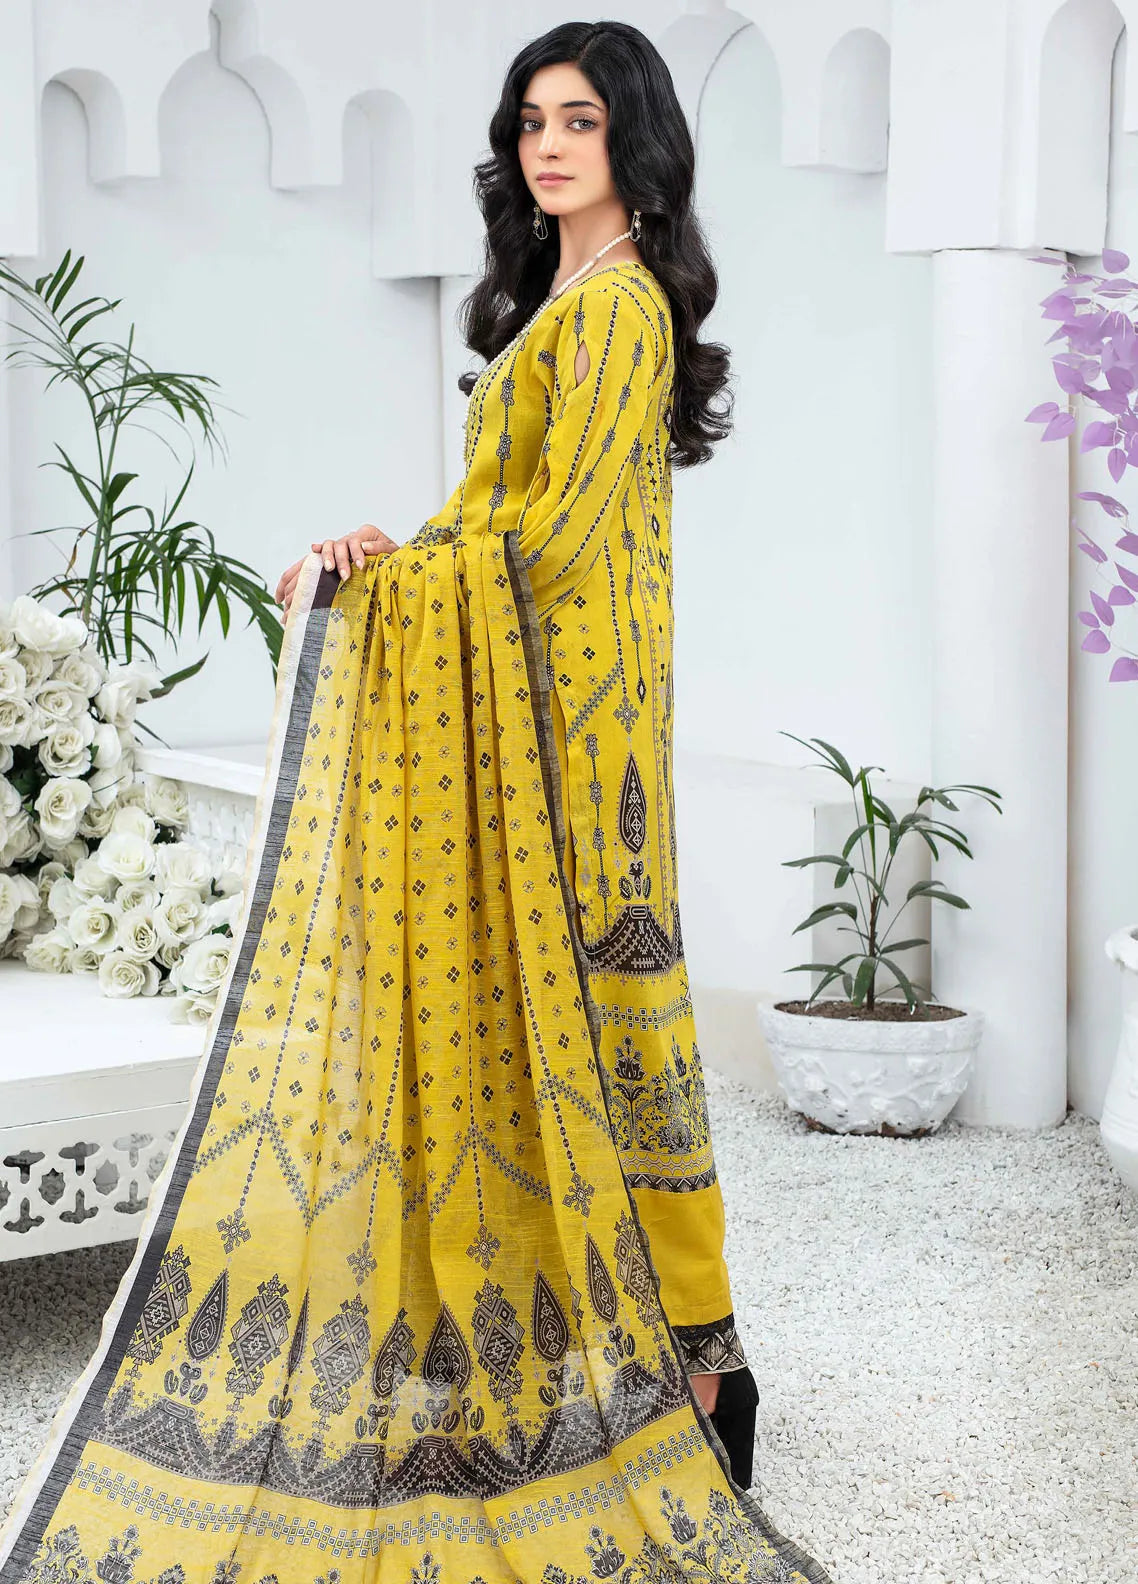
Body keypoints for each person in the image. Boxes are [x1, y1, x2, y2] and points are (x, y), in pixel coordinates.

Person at [0, 21, 833, 1584]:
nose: (549, 147)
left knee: (610, 1027)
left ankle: (703, 1369)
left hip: (572, 738)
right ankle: (619, 1351)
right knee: (554, 1032)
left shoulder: (619, 308)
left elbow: (558, 542)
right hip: (536, 711)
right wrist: (395, 553)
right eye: (530, 122)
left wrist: (387, 592)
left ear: (637, 144)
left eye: (580, 121)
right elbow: (493, 520)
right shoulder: (557, 304)